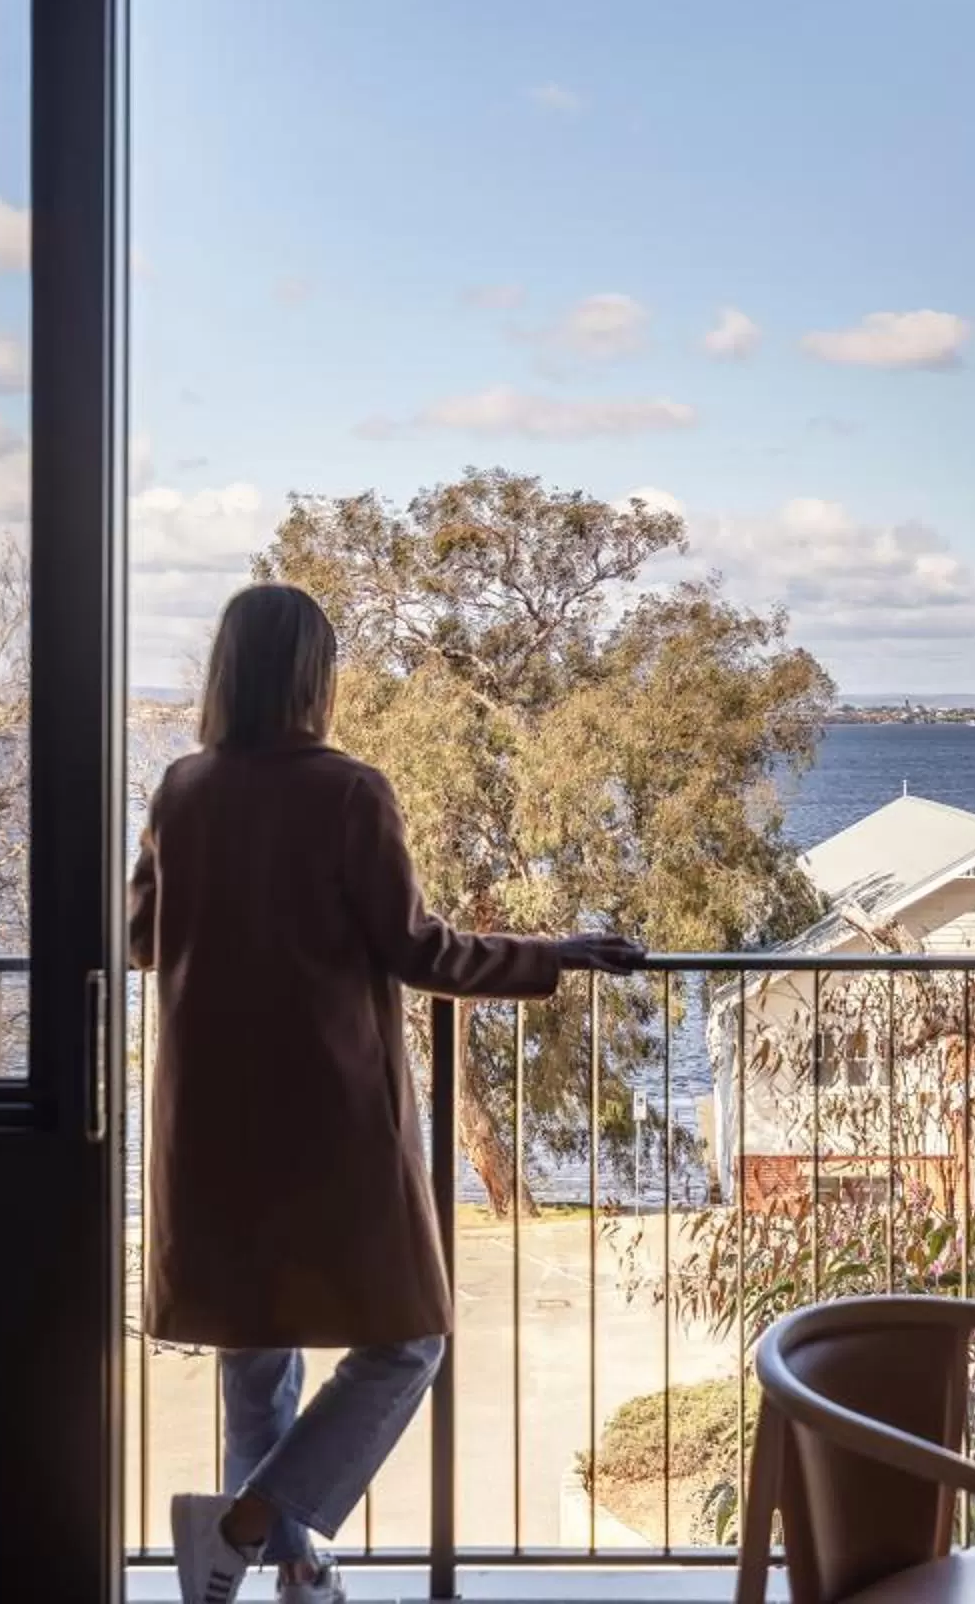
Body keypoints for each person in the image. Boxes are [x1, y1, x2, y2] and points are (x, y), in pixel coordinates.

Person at [130, 582, 642, 1604]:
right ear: (314, 676)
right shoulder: (349, 792)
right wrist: (555, 952)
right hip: (326, 1119)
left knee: (254, 1347)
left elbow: (141, 937)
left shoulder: (182, 789)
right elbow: (420, 950)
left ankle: (287, 1565)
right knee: (410, 1339)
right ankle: (247, 1526)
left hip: (211, 1122)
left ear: (227, 670)